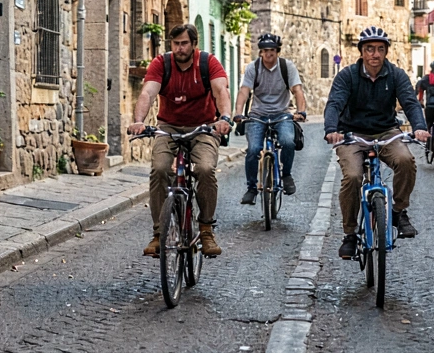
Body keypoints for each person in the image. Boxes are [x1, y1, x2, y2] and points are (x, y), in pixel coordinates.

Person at [323, 26, 429, 260]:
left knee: (406, 160)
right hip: (352, 134)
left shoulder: (396, 75)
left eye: (380, 49)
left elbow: (410, 102)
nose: (375, 54)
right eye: (369, 49)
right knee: (352, 176)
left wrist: (419, 127)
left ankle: (399, 211)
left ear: (386, 52)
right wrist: (332, 130)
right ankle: (350, 234)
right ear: (361, 52)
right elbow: (335, 104)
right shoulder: (347, 76)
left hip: (386, 132)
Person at [128, 24, 233, 259]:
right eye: (175, 43)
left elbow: (221, 90)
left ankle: (206, 229)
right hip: (168, 127)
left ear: (194, 44)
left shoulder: (208, 63)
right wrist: (139, 121)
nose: (179, 48)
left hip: (204, 126)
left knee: (205, 169)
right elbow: (147, 93)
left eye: (184, 43)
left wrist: (224, 118)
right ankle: (158, 235)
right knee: (160, 169)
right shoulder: (161, 64)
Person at [234, 33, 308, 204]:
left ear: (277, 51)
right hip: (258, 115)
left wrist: (301, 111)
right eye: (265, 50)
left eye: (272, 50)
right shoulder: (253, 68)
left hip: (282, 114)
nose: (268, 54)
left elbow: (297, 90)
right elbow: (244, 91)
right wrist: (238, 113)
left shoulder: (286, 67)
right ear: (260, 52)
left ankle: (287, 175)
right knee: (253, 150)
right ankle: (251, 188)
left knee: (288, 141)